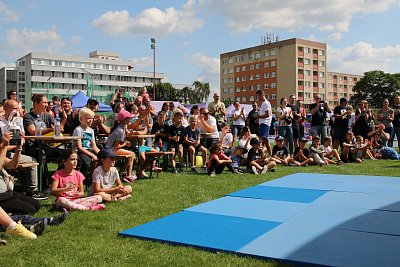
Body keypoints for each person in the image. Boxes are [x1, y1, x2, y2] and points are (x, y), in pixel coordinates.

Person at [1, 100, 46, 200]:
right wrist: (13, 145)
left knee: (33, 160)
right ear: (6, 109)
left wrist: (19, 143)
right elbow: (3, 144)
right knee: (32, 160)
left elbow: (23, 138)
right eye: (14, 108)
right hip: (6, 153)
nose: (17, 110)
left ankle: (32, 190)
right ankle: (31, 190)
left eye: (18, 108)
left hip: (15, 150)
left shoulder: (19, 120)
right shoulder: (1, 122)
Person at [23, 94, 58, 189]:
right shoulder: (28, 116)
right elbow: (33, 132)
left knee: (66, 154)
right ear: (35, 103)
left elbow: (58, 128)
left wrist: (61, 125)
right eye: (44, 102)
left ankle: (59, 182)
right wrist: (50, 130)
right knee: (41, 155)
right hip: (33, 146)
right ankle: (44, 184)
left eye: (47, 102)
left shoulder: (48, 116)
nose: (46, 104)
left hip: (48, 146)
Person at [0, 132, 41, 214]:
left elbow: (12, 165)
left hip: (6, 192)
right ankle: (8, 217)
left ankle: (9, 214)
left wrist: (19, 147)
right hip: (1, 196)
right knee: (30, 209)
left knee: (36, 204)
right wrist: (4, 146)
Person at [107, 110, 137, 182]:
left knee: (132, 155)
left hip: (112, 149)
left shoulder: (122, 128)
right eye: (129, 118)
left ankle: (125, 174)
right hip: (111, 150)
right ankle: (124, 174)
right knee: (132, 154)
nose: (131, 119)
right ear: (123, 120)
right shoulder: (120, 130)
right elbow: (116, 146)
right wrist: (125, 144)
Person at [72, 107, 100, 178]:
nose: (90, 120)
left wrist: (101, 154)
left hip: (89, 150)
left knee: (101, 159)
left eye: (92, 118)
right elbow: (79, 147)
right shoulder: (78, 130)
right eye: (88, 118)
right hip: (79, 151)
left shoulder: (91, 130)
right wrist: (92, 155)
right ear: (81, 119)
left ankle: (91, 177)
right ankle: (81, 178)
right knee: (86, 162)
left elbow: (94, 146)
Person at [255, 90, 272, 156]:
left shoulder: (266, 103)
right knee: (264, 139)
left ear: (261, 95)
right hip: (263, 123)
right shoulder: (263, 104)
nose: (258, 98)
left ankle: (261, 153)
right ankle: (267, 154)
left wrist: (258, 116)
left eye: (258, 96)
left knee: (262, 139)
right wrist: (258, 119)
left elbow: (267, 114)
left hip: (265, 124)